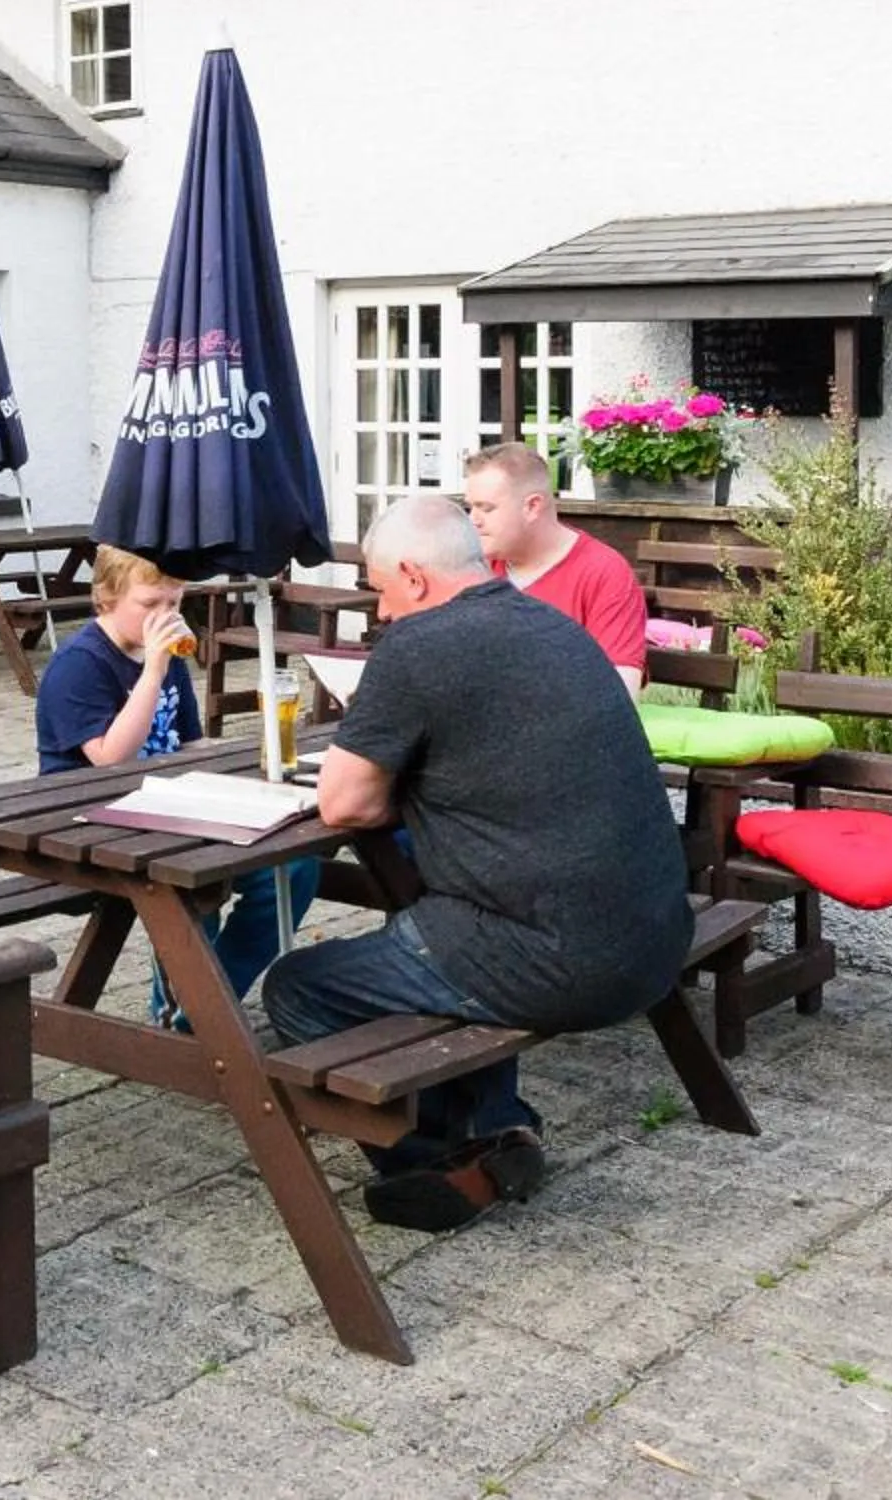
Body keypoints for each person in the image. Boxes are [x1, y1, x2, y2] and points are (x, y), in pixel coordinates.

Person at [265, 494, 690, 1233]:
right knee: (443, 929)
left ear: (415, 578)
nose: (381, 610)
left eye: (381, 589)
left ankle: (435, 1158)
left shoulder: (419, 647)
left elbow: (342, 805)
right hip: (654, 936)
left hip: (556, 958)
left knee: (301, 986)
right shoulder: (554, 627)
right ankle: (502, 1125)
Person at [36, 544, 322, 1024]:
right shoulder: (80, 663)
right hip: (92, 812)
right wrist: (151, 672)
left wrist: (251, 760)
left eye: (173, 603)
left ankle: (208, 1003)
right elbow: (109, 759)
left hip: (164, 802)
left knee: (294, 866)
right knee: (196, 876)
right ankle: (185, 1013)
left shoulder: (166, 656)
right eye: (150, 605)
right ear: (105, 599)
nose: (165, 616)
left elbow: (186, 743)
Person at [461, 442, 647, 676]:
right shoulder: (472, 567)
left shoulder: (603, 573)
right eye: (470, 508)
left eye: (486, 508)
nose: (472, 520)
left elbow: (619, 693)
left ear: (532, 506)